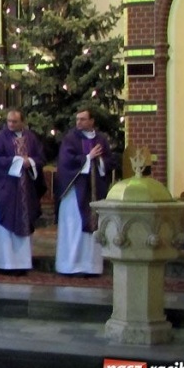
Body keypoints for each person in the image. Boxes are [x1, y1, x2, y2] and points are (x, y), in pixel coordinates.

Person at [0, 110, 46, 275]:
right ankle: (4, 263)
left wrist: (31, 162)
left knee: (24, 222)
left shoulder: (31, 138)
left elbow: (40, 158)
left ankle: (22, 263)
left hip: (26, 189)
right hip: (6, 189)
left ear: (23, 122)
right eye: (9, 121)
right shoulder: (0, 137)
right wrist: (19, 161)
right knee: (5, 228)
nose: (10, 125)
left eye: (14, 122)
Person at [54, 108, 113, 276]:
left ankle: (91, 267)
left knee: (93, 229)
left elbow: (109, 161)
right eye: (77, 119)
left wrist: (99, 159)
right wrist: (88, 157)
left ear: (92, 121)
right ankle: (70, 266)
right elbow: (66, 162)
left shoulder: (101, 139)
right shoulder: (70, 139)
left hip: (95, 193)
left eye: (83, 119)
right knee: (74, 228)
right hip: (74, 193)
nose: (78, 122)